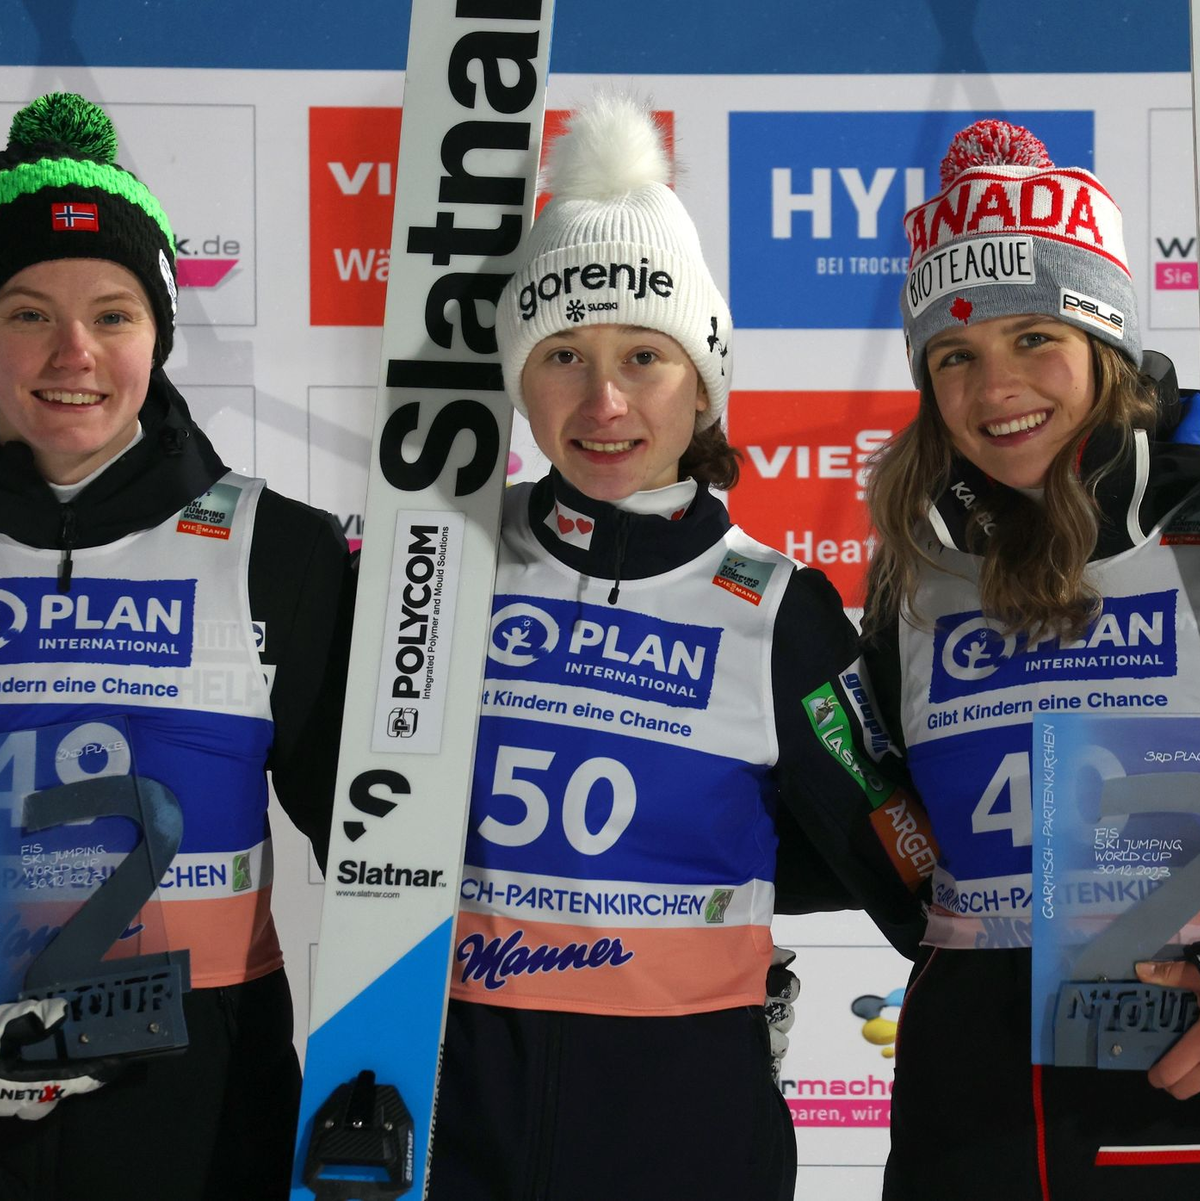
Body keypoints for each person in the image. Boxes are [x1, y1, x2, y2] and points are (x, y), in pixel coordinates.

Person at [425, 92, 927, 1201]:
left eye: (645, 356)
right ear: (519, 379)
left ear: (702, 383)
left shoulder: (777, 608)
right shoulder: (445, 563)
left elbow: (901, 864)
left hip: (689, 1144)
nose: (603, 400)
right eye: (564, 354)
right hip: (456, 1138)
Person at [0, 94, 351, 1200]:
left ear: (156, 333)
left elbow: (384, 849)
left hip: (198, 1130)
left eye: (112, 313)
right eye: (26, 312)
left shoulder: (278, 552)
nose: (73, 352)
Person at [861, 118, 1200, 1199]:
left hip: (1174, 1078)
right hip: (974, 1103)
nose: (994, 387)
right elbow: (874, 811)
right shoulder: (915, 566)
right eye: (955, 355)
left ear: (1105, 343)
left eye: (1035, 338)